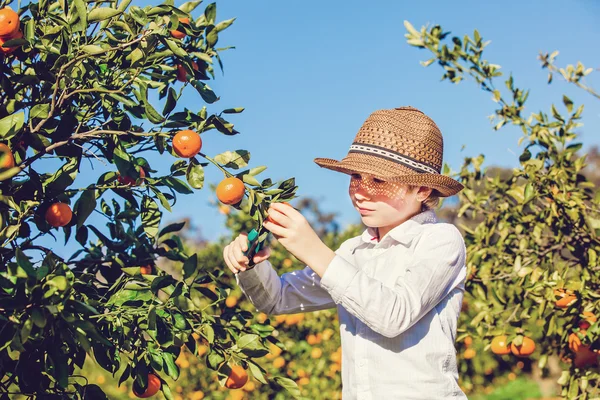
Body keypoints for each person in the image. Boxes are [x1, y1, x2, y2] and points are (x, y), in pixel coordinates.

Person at [222, 106, 468, 399]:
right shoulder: (353, 252)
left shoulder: (439, 240)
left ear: (423, 190)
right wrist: (252, 266)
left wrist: (314, 250)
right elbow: (278, 299)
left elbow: (394, 315)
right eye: (355, 177)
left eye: (378, 180)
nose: (360, 192)